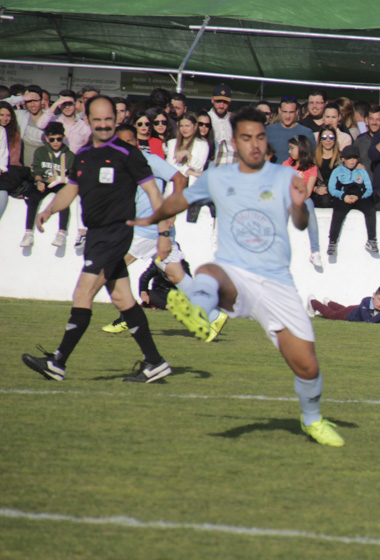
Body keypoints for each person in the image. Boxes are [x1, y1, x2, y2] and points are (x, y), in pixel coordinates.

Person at [130, 106, 345, 447]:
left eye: (260, 136)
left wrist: (301, 206)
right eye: (247, 137)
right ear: (235, 141)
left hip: (277, 284)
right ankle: (202, 312)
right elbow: (181, 198)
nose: (254, 144)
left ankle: (311, 420)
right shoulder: (218, 177)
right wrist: (153, 220)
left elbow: (301, 223)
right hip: (236, 273)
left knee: (307, 366)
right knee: (210, 271)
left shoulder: (284, 178)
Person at [21, 96, 171, 384]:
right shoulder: (85, 155)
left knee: (83, 293)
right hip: (97, 235)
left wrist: (164, 233)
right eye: (97, 120)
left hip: (116, 234)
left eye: (108, 120)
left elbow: (155, 194)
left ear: (115, 120)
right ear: (87, 120)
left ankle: (58, 361)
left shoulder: (128, 154)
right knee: (121, 298)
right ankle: (155, 362)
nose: (103, 125)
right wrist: (50, 209)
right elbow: (71, 189)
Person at [100, 124, 227, 343]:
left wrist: (173, 210)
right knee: (176, 275)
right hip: (149, 230)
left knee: (111, 269)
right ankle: (214, 315)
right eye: (122, 142)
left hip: (150, 230)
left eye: (131, 141)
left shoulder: (150, 160)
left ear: (136, 142)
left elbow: (179, 179)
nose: (127, 145)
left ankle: (128, 317)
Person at [21, 122, 73, 249]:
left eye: (59, 139)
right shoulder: (40, 151)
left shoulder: (70, 155)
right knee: (33, 197)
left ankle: (62, 233)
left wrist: (60, 178)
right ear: (46, 138)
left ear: (64, 138)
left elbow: (73, 177)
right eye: (52, 139)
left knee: (64, 200)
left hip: (61, 182)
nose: (55, 142)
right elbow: (37, 171)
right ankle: (28, 232)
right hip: (45, 182)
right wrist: (39, 182)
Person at [328, 145, 376, 255]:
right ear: (343, 159)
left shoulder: (362, 172)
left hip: (359, 196)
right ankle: (332, 241)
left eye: (355, 158)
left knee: (370, 210)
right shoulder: (337, 171)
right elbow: (332, 188)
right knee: (338, 213)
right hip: (343, 197)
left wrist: (359, 196)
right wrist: (343, 196)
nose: (352, 161)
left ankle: (372, 240)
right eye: (349, 158)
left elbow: (369, 189)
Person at [283, 135, 323, 267]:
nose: (289, 151)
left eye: (292, 148)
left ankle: (315, 251)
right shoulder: (286, 164)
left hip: (302, 198)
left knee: (310, 209)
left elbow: (308, 190)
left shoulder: (312, 168)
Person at [267, 98, 315, 164]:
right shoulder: (268, 130)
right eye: (285, 112)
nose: (288, 116)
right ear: (279, 111)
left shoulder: (306, 132)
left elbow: (312, 158)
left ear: (297, 112)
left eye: (291, 112)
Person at [307, 286, 380, 323]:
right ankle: (313, 302)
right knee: (332, 315)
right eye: (379, 299)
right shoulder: (366, 301)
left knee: (341, 309)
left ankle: (329, 303)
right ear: (374, 295)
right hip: (349, 314)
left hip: (354, 310)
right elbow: (368, 321)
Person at [207, 84, 236, 167]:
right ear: (212, 100)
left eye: (225, 102)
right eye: (218, 101)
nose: (221, 105)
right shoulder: (205, 119)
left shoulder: (233, 121)